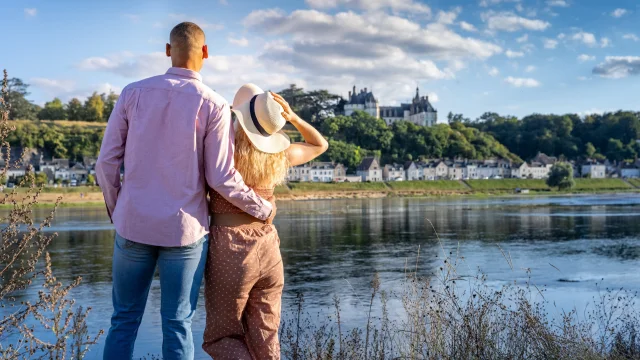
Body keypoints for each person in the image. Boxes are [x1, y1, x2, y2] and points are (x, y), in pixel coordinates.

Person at [95, 23, 273, 360]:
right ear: (205, 52)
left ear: (167, 50)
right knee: (177, 323)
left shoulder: (132, 93)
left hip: (132, 225)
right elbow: (221, 176)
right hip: (184, 231)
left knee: (123, 320)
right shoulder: (215, 104)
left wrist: (119, 210)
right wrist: (261, 208)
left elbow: (106, 163)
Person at [202, 84, 328, 359]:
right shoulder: (279, 157)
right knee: (266, 338)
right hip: (269, 248)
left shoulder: (223, 154)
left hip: (231, 249)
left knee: (222, 337)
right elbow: (320, 144)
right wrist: (293, 117)